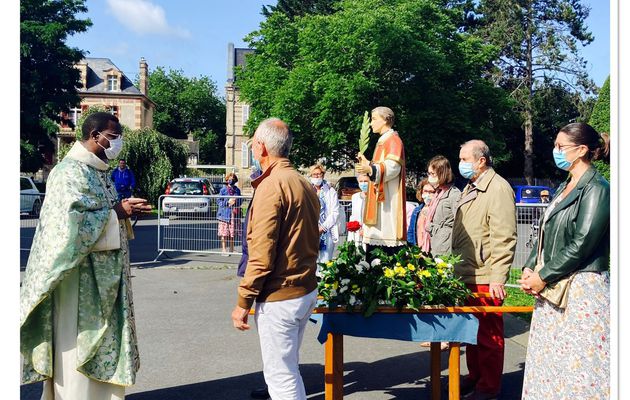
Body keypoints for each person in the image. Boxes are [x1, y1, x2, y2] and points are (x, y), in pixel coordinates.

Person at [20, 112, 152, 400]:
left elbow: (102, 214)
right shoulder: (69, 172)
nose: (117, 143)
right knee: (76, 348)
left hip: (102, 280)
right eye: (113, 137)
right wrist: (117, 213)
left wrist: (123, 211)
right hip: (77, 282)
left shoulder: (98, 171)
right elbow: (66, 228)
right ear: (95, 136)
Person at [518, 123, 610, 400]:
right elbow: (544, 230)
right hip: (552, 284)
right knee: (550, 362)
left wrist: (542, 275)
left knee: (579, 365)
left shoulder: (597, 188)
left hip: (581, 288)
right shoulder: (563, 187)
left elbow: (583, 242)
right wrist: (529, 267)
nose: (555, 151)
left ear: (582, 150)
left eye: (561, 146)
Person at [231, 118, 320, 400]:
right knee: (288, 369)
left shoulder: (272, 186)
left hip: (281, 294)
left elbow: (262, 253)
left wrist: (243, 302)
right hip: (303, 287)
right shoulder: (303, 183)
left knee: (281, 376)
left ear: (261, 147)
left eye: (253, 144)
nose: (253, 150)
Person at [451, 139, 517, 400]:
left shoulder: (497, 188)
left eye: (465, 159)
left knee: (489, 335)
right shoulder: (471, 186)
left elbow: (505, 237)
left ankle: (489, 387)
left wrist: (498, 277)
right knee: (471, 333)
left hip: (485, 274)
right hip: (467, 271)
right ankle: (475, 376)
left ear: (481, 160)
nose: (461, 164)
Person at [355, 106, 407, 258]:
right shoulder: (382, 141)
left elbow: (393, 168)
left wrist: (370, 169)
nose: (371, 124)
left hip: (387, 205)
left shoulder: (393, 140)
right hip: (378, 202)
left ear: (385, 120)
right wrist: (367, 164)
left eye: (374, 119)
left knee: (385, 254)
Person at [421, 155, 462, 256]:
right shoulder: (438, 193)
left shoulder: (453, 194)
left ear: (442, 173)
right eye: (429, 173)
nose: (429, 177)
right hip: (434, 245)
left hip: (446, 248)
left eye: (432, 174)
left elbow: (460, 222)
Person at [308, 163, 340, 266]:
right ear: (310, 176)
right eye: (314, 174)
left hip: (326, 231)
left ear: (323, 175)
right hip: (310, 231)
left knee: (326, 263)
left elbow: (335, 212)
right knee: (311, 262)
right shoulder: (307, 190)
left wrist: (322, 228)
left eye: (319, 174)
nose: (317, 176)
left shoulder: (330, 191)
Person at [217, 172, 242, 255]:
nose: (231, 181)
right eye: (230, 179)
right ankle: (224, 249)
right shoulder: (223, 190)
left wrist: (236, 201)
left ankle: (232, 249)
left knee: (232, 232)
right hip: (224, 214)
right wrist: (227, 202)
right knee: (224, 232)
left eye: (233, 179)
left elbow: (240, 201)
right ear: (227, 180)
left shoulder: (237, 190)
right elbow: (218, 201)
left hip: (234, 214)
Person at [406, 178, 433, 247]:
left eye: (431, 192)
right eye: (425, 191)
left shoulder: (438, 210)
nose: (428, 194)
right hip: (418, 248)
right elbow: (411, 232)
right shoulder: (416, 210)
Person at [348, 172, 370, 249]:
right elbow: (353, 216)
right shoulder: (355, 197)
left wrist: (366, 230)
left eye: (366, 181)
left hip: (369, 234)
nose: (363, 184)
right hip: (356, 234)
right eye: (361, 181)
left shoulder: (374, 197)